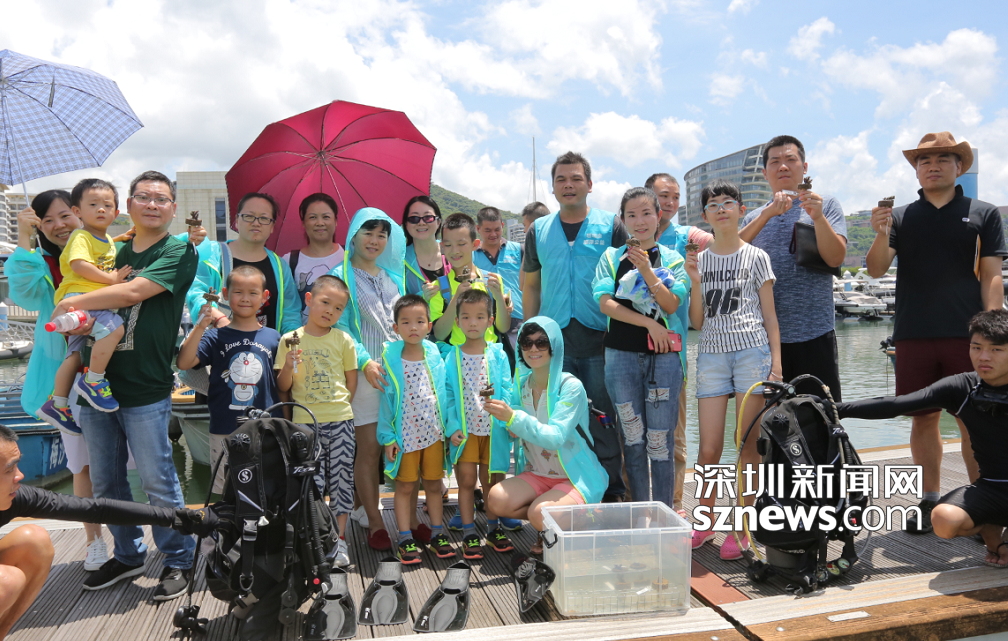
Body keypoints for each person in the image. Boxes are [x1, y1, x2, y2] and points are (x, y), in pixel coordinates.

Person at [49, 170, 198, 600]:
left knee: (158, 480)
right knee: (107, 483)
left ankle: (179, 556)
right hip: (96, 387)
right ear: (127, 206)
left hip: (146, 385)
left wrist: (72, 303)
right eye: (143, 197)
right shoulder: (112, 249)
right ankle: (128, 553)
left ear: (172, 208)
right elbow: (77, 271)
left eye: (161, 198)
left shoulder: (178, 250)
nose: (152, 204)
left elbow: (132, 293)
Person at [864, 132, 1006, 533]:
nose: (933, 166)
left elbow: (992, 275)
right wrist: (879, 232)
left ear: (959, 167)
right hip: (913, 333)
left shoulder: (983, 213)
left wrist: (994, 331)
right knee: (922, 419)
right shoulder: (901, 216)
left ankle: (982, 501)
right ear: (916, 170)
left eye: (944, 158)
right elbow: (875, 269)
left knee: (975, 422)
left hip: (968, 336)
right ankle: (929, 498)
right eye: (924, 160)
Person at [0, 423, 215, 639]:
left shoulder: (18, 498)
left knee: (35, 540)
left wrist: (176, 517)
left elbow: (97, 509)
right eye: (9, 470)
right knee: (9, 581)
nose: (20, 475)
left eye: (17, 466)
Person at [836, 310, 1008, 567]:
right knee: (943, 520)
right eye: (976, 347)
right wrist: (835, 409)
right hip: (991, 488)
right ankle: (991, 531)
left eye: (996, 350)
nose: (983, 357)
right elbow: (897, 404)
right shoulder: (962, 387)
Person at [522, 151, 627, 502]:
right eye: (561, 180)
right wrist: (530, 335)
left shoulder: (611, 225)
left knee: (602, 417)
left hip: (600, 339)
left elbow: (626, 282)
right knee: (557, 417)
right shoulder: (538, 230)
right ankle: (567, 489)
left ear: (590, 184)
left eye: (576, 179)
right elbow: (531, 286)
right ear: (552, 187)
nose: (569, 185)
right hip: (554, 344)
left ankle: (611, 491)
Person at [685, 179, 781, 561]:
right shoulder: (700, 261)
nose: (721, 208)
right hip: (711, 355)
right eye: (713, 204)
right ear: (705, 215)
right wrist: (695, 282)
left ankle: (741, 526)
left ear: (741, 210)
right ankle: (704, 520)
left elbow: (770, 317)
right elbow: (696, 322)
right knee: (708, 448)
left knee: (747, 443)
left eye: (728, 202)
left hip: (751, 354)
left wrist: (777, 365)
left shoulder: (757, 256)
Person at [593, 187, 689, 511]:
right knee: (632, 440)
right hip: (620, 358)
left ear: (659, 216)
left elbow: (671, 304)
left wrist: (647, 269)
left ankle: (663, 514)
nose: (640, 221)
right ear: (622, 219)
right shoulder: (611, 258)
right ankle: (640, 513)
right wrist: (649, 324)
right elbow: (605, 303)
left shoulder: (673, 259)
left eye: (647, 213)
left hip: (664, 361)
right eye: (631, 215)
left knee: (660, 441)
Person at [484, 317, 608, 553]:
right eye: (526, 343)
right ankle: (554, 522)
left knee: (539, 513)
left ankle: (567, 520)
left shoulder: (570, 386)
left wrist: (513, 418)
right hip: (537, 473)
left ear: (554, 346)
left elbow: (555, 437)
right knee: (496, 499)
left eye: (542, 342)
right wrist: (504, 423)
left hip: (574, 477)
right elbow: (514, 429)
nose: (533, 349)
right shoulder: (521, 385)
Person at [739, 135, 846, 400]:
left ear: (804, 167)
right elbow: (731, 255)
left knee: (821, 416)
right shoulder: (754, 217)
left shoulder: (825, 204)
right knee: (772, 419)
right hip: (764, 339)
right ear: (765, 173)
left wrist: (817, 217)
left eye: (790, 159)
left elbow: (835, 259)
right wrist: (766, 215)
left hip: (816, 332)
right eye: (775, 161)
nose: (783, 166)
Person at [332, 207, 405, 551]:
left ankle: (379, 512)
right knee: (369, 449)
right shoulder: (340, 276)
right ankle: (375, 521)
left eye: (382, 235)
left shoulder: (392, 276)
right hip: (364, 374)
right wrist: (364, 362)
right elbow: (341, 326)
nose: (375, 241)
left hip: (398, 374)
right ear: (353, 236)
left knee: (399, 444)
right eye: (368, 232)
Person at [275, 274, 358, 568]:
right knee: (310, 485)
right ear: (309, 300)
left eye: (338, 308)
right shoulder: (289, 340)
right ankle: (316, 540)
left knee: (342, 481)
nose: (330, 311)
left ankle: (340, 539)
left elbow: (351, 382)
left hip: (341, 421)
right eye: (325, 302)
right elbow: (282, 386)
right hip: (304, 424)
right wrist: (288, 365)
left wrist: (339, 408)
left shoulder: (344, 340)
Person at [177, 265, 281, 493]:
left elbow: (281, 386)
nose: (245, 298)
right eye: (238, 292)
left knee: (266, 489)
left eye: (253, 293)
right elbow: (184, 362)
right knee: (226, 490)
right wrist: (201, 326)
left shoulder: (274, 337)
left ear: (265, 297)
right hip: (224, 427)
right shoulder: (215, 336)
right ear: (225, 294)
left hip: (265, 428)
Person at [645, 172, 714, 513]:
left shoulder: (686, 236)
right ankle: (633, 502)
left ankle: (673, 504)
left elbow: (722, 240)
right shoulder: (629, 235)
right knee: (632, 433)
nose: (670, 202)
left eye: (675, 196)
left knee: (674, 435)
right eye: (663, 195)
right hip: (631, 350)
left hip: (674, 352)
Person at [39, 179, 130, 427]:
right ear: (77, 212)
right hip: (82, 298)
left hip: (79, 301)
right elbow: (79, 265)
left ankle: (57, 404)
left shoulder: (104, 238)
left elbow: (101, 248)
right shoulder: (80, 235)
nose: (101, 209)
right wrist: (111, 279)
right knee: (115, 328)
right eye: (93, 204)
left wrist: (121, 238)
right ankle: (94, 380)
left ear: (116, 213)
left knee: (75, 355)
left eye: (107, 205)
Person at [377, 295, 454, 564]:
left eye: (420, 321)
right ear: (395, 327)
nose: (413, 327)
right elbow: (386, 402)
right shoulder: (390, 358)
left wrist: (449, 429)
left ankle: (437, 533)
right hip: (405, 436)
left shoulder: (434, 354)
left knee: (434, 484)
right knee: (405, 486)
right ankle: (405, 537)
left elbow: (444, 392)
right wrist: (387, 437)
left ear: (429, 325)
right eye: (406, 322)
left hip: (433, 434)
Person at [444, 289, 515, 559]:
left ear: (490, 320)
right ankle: (469, 532)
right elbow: (449, 396)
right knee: (465, 481)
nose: (472, 323)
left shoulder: (497, 354)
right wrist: (452, 427)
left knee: (491, 480)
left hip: (493, 430)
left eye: (479, 317)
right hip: (466, 432)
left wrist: (508, 419)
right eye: (466, 317)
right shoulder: (452, 356)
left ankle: (494, 528)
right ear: (457, 322)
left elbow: (507, 388)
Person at [186, 192, 300, 335]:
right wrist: (219, 320)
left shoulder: (279, 265)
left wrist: (291, 339)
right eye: (249, 216)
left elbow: (290, 312)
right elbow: (196, 294)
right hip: (218, 344)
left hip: (268, 348)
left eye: (264, 218)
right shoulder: (214, 255)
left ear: (272, 226)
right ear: (236, 221)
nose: (256, 223)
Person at [429, 213, 511, 348]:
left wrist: (500, 299)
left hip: (490, 356)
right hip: (456, 357)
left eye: (461, 244)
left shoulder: (492, 280)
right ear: (442, 246)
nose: (455, 250)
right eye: (448, 245)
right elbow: (439, 334)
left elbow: (503, 327)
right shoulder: (438, 287)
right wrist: (456, 298)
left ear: (475, 244)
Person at [282, 193, 345, 324]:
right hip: (304, 335)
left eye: (326, 217)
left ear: (336, 221)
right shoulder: (289, 261)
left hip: (344, 335)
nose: (320, 223)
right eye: (312, 217)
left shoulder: (350, 257)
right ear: (303, 223)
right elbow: (287, 308)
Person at [473, 207, 524, 348]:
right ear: (478, 229)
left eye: (497, 229)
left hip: (518, 323)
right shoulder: (471, 256)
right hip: (484, 324)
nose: (493, 234)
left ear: (502, 226)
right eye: (487, 230)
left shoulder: (520, 250)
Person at [402, 195, 448, 297]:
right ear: (406, 224)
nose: (421, 223)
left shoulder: (453, 252)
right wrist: (422, 298)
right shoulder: (400, 261)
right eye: (414, 218)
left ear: (438, 222)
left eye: (428, 217)